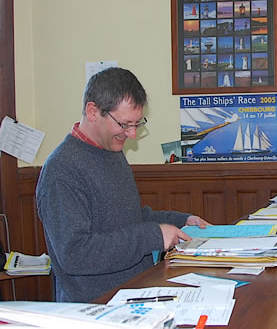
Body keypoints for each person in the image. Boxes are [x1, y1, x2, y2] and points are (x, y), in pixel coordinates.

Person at [36, 67, 210, 302]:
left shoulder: (111, 152)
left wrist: (180, 221)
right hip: (97, 307)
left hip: (136, 291)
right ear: (93, 111)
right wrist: (152, 236)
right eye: (125, 124)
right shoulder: (62, 170)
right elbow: (75, 254)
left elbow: (127, 219)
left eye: (138, 124)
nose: (132, 135)